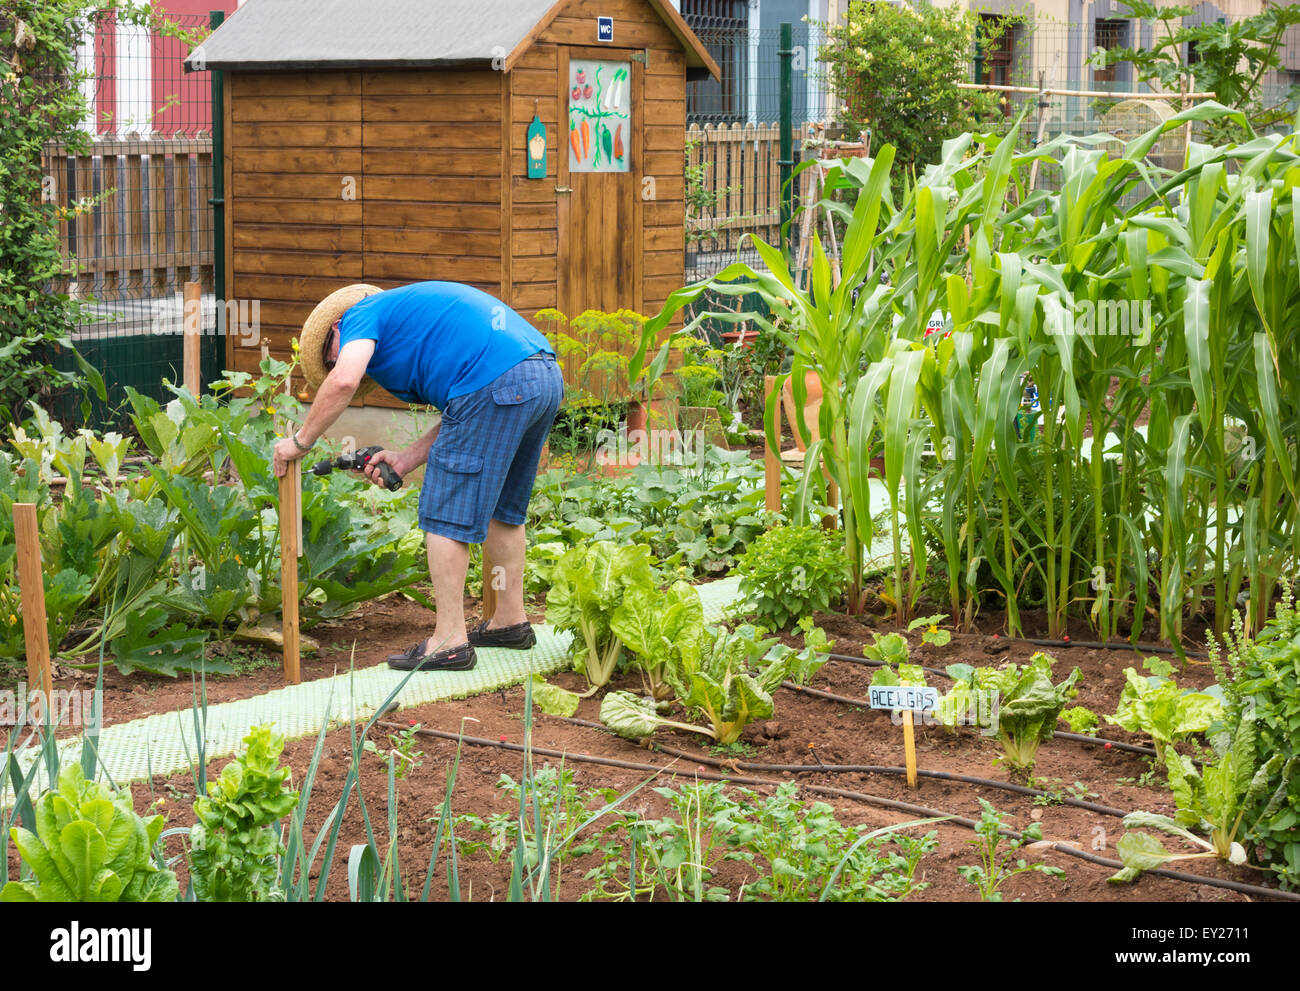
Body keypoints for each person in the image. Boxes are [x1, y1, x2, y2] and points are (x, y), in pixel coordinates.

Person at [273, 281, 562, 672]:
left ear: (336, 328)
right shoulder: (411, 321)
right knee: (502, 510)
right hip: (541, 374)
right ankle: (508, 621)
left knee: (445, 513)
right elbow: (467, 406)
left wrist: (300, 442)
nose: (331, 368)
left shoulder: (360, 315)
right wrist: (407, 458)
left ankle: (447, 641)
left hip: (499, 382)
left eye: (328, 356)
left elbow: (344, 381)